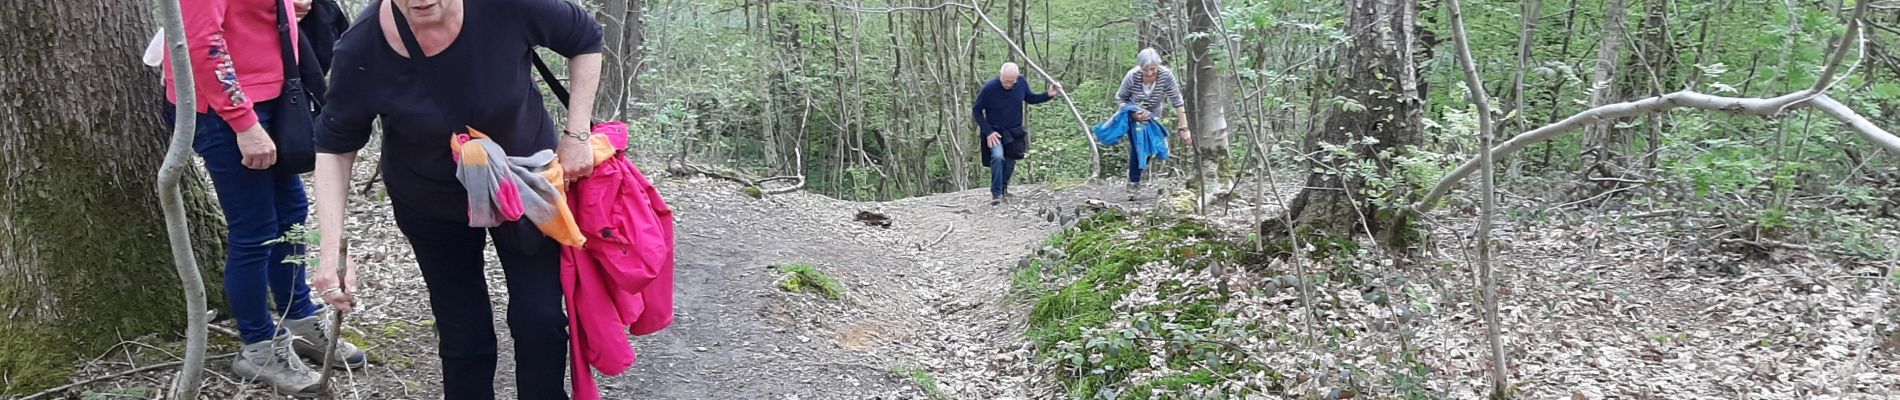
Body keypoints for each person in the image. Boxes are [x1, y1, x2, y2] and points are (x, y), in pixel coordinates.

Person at [310, 0, 605, 398]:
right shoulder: (362, 48)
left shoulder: (508, 8)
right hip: (430, 198)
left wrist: (577, 135)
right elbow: (335, 146)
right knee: (463, 333)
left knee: (541, 321)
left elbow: (585, 38)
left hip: (523, 188)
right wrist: (331, 251)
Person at [161, 0, 364, 396]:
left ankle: (298, 318)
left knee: (290, 213)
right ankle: (257, 346)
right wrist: (244, 122)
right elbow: (202, 42)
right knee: (254, 228)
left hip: (273, 94)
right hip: (225, 110)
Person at [972, 62, 1062, 205]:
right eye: (1005, 81)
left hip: (1014, 131)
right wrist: (988, 131)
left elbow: (1030, 98)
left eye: (1011, 81)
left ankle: (1003, 188)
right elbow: (976, 110)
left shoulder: (1021, 83)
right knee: (997, 157)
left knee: (1010, 162)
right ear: (1000, 75)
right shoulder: (989, 88)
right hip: (995, 131)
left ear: (1016, 78)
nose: (1008, 84)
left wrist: (1048, 95)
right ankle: (996, 194)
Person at [1114, 48, 1192, 195]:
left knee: (1151, 148)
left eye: (1153, 69)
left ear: (1158, 66)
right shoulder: (1132, 76)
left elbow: (1178, 102)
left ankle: (1136, 174)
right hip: (1133, 115)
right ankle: (1134, 182)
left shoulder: (1166, 76)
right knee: (1138, 145)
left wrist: (1184, 128)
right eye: (1145, 69)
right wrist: (1133, 113)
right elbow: (1120, 98)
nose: (1149, 73)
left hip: (1154, 116)